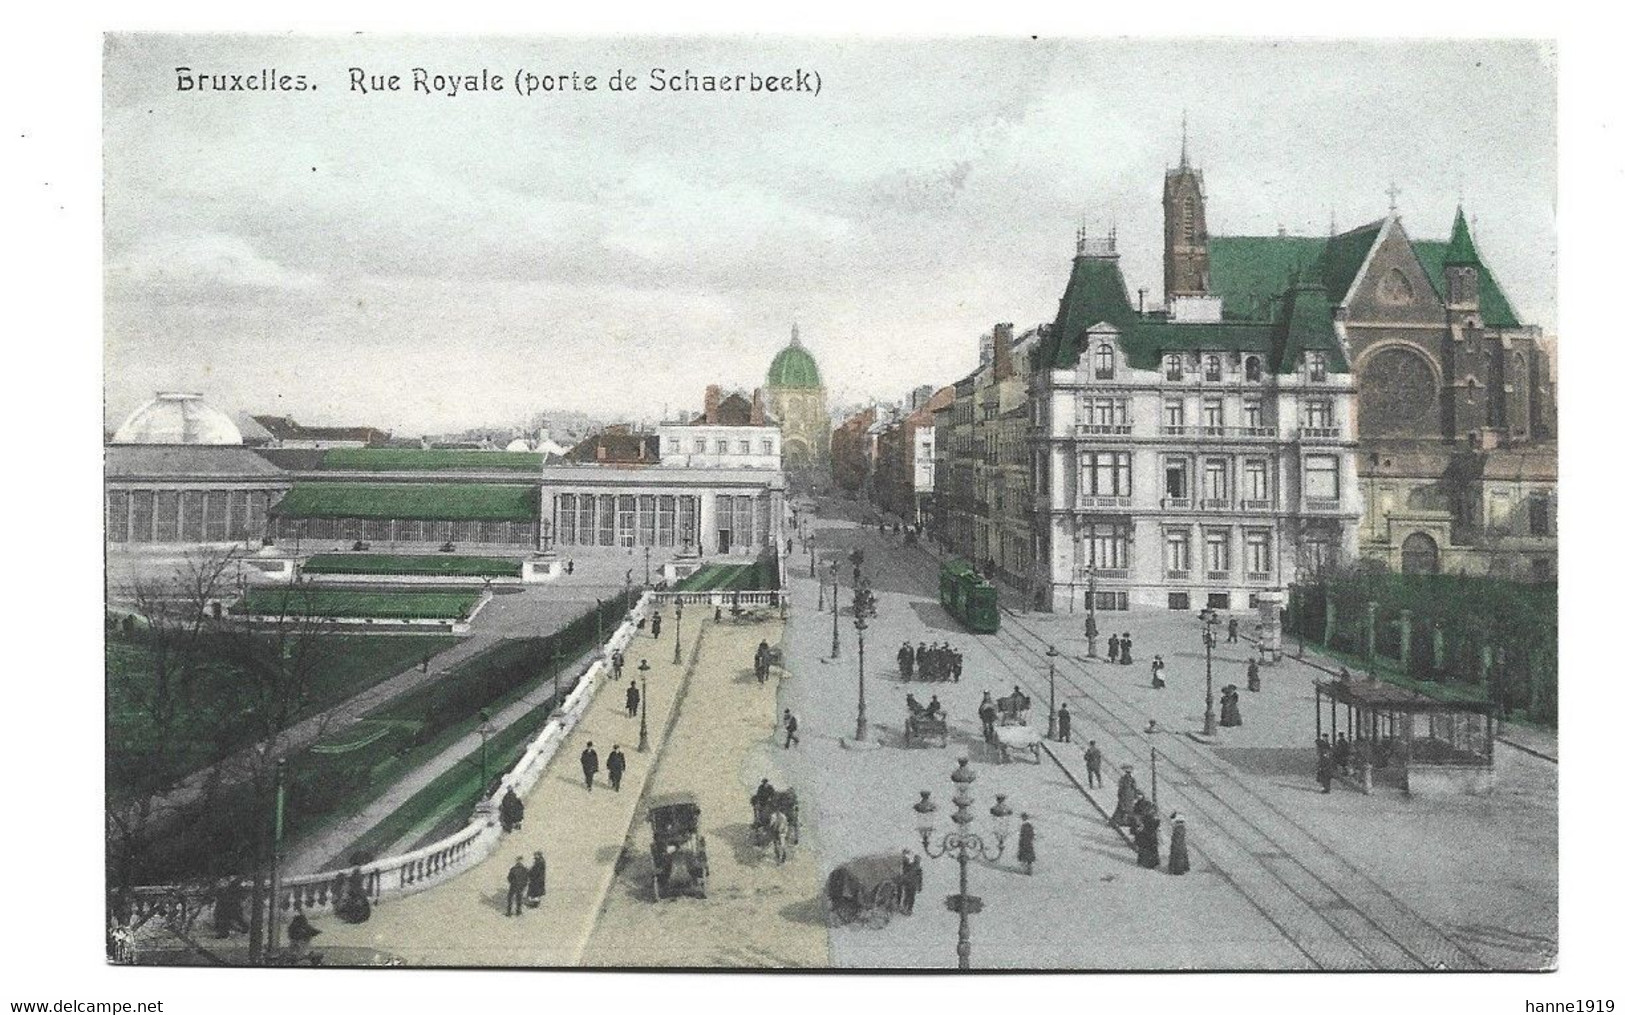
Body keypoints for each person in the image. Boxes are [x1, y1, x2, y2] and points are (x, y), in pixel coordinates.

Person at [1132, 799, 1161, 870]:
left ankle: (1147, 863)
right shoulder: (1148, 818)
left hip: (1146, 840)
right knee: (1149, 851)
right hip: (1148, 840)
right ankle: (1151, 863)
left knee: (1146, 851)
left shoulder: (1147, 819)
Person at [898, 850, 919, 915]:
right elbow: (919, 879)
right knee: (909, 897)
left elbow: (919, 878)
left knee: (908, 897)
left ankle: (906, 908)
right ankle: (907, 909)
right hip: (910, 884)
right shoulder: (914, 867)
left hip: (909, 884)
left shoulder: (913, 867)